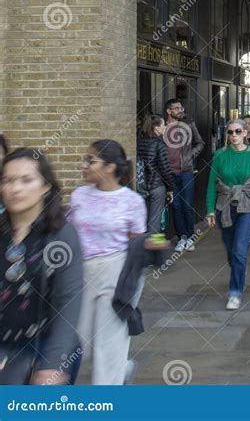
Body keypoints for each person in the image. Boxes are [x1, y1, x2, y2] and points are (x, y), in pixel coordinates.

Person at [0, 148, 83, 385]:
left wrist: (53, 364)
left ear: (46, 186)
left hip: (45, 347)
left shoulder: (62, 236)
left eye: (26, 180)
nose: (15, 188)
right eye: (7, 180)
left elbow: (69, 303)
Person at [68, 139, 147, 385]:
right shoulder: (79, 195)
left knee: (108, 343)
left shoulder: (132, 202)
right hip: (80, 272)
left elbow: (137, 247)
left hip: (115, 271)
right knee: (79, 342)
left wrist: (133, 288)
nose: (84, 165)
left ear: (110, 167)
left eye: (90, 161)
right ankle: (122, 369)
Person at [206, 119, 250, 310]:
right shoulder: (219, 155)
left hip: (248, 205)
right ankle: (239, 270)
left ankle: (235, 292)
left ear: (245, 133)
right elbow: (211, 184)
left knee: (239, 250)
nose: (233, 135)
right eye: (230, 132)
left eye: (237, 131)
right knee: (231, 252)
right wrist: (209, 210)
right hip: (224, 205)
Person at [163, 99, 204, 253]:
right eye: (177, 108)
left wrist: (190, 156)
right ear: (169, 111)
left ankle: (190, 237)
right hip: (169, 173)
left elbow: (200, 142)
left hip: (186, 171)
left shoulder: (188, 125)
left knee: (187, 206)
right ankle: (182, 238)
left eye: (181, 107)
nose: (181, 110)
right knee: (176, 206)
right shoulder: (163, 128)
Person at [137, 114, 174, 233]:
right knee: (155, 223)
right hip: (156, 186)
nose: (165, 126)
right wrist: (170, 188)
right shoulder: (159, 144)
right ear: (156, 128)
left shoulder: (138, 142)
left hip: (140, 186)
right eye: (163, 125)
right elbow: (165, 169)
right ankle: (154, 249)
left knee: (142, 220)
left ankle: (142, 247)